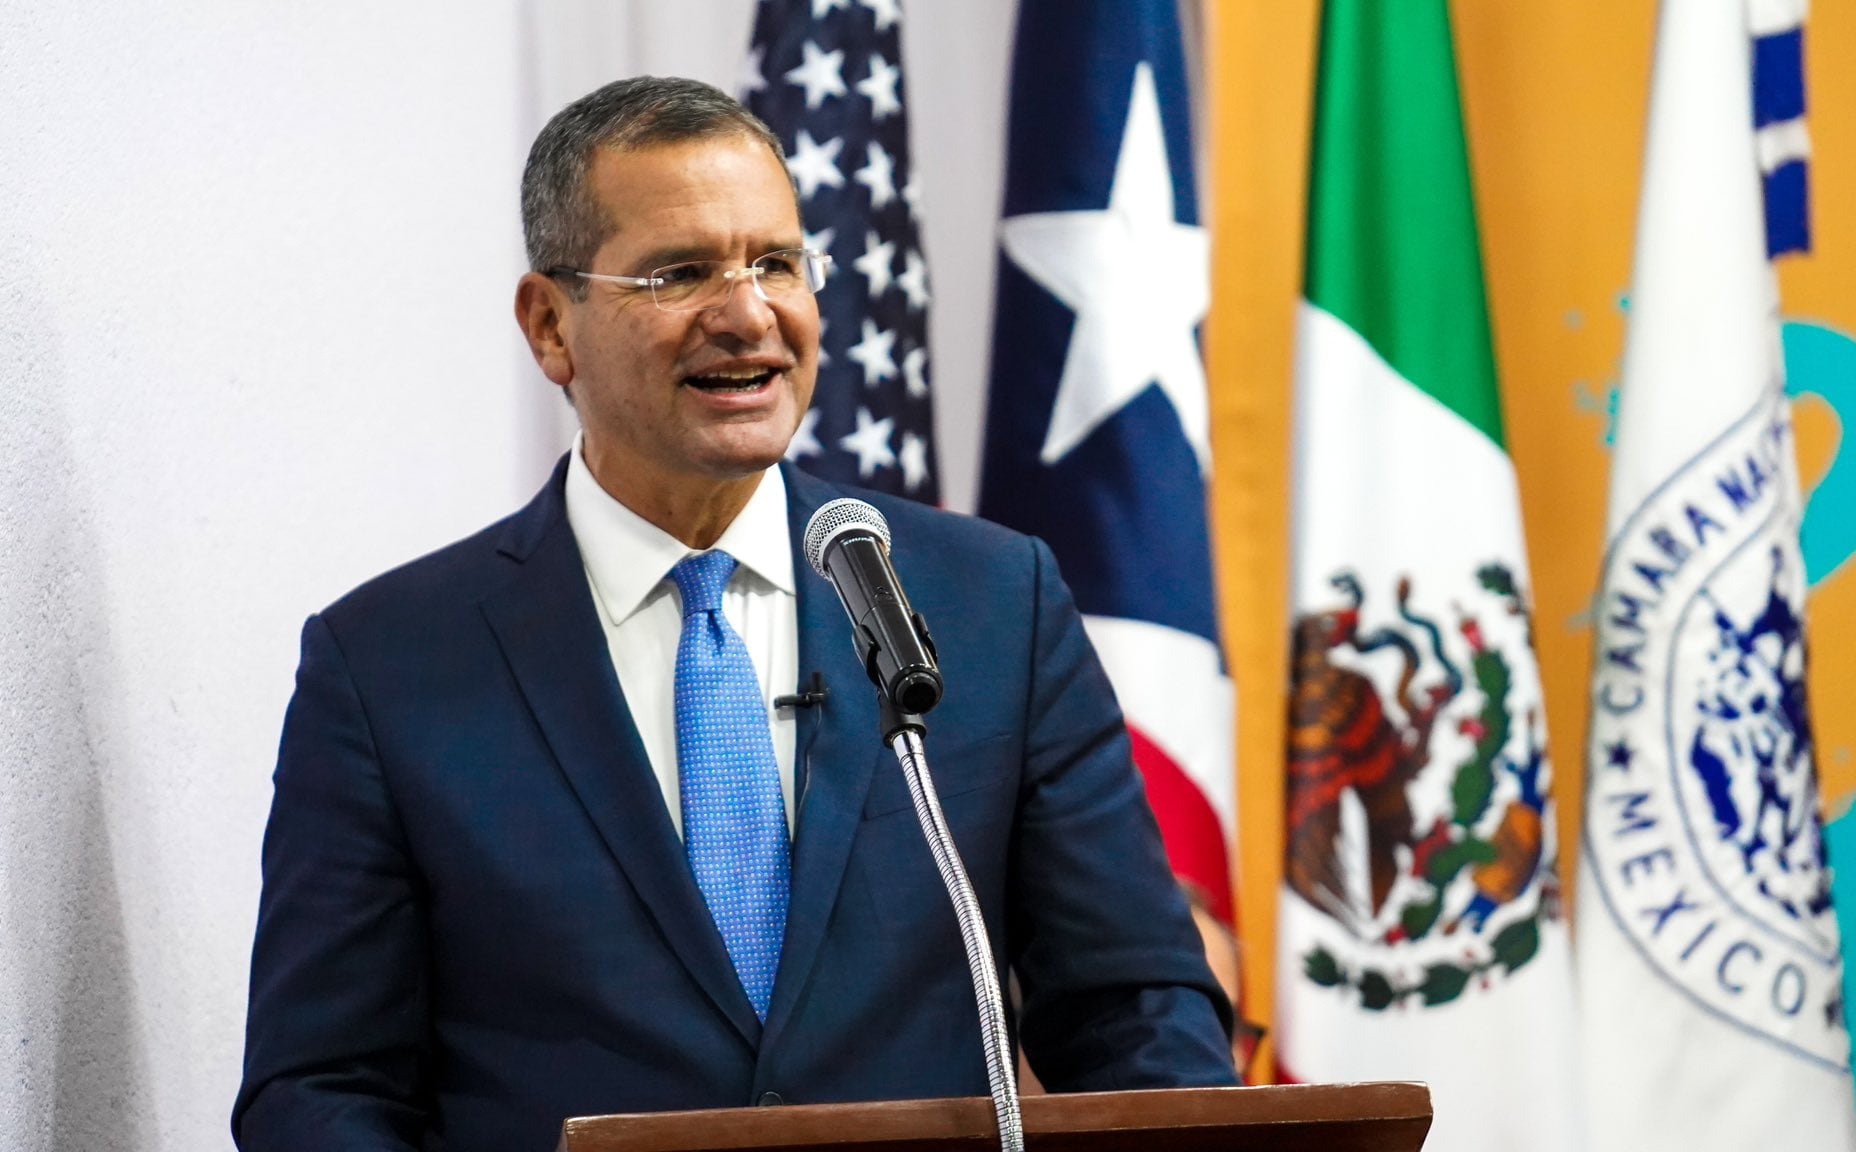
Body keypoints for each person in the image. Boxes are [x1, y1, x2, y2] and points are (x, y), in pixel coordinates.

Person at [233, 75, 1235, 1152]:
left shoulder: (994, 603)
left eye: (777, 264)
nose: (749, 314)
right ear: (550, 326)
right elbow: (322, 1091)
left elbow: (1136, 1013)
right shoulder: (386, 665)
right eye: (679, 273)